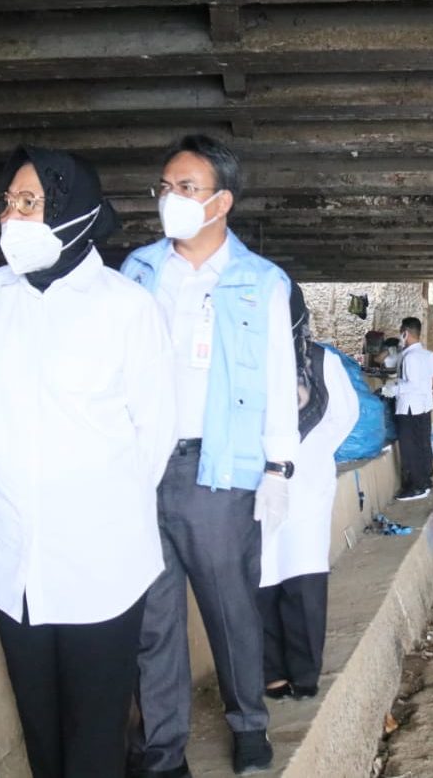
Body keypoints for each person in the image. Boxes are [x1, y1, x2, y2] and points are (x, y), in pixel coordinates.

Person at [0, 147, 176, 778]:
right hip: (10, 557)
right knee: (39, 729)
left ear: (75, 212)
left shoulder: (127, 308)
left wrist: (87, 501)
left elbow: (153, 435)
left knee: (95, 733)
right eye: (7, 203)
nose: (12, 218)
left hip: (98, 560)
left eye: (30, 202)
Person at [121, 135, 298, 777]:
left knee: (230, 610)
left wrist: (278, 468)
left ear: (222, 201)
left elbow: (280, 379)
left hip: (218, 471)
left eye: (186, 188)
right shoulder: (137, 273)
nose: (171, 198)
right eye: (165, 187)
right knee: (153, 619)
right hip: (143, 466)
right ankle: (163, 752)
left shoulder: (260, 282)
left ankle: (248, 725)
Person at [258, 286, 360, 701]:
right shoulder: (253, 357)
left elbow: (345, 416)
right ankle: (284, 675)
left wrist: (312, 451)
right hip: (265, 484)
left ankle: (292, 676)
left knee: (293, 579)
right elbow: (344, 418)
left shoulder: (322, 360)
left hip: (301, 487)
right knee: (266, 580)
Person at [393, 317, 433, 501]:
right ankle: (425, 481)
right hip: (424, 407)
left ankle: (417, 487)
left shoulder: (409, 357)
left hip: (409, 407)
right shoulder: (430, 355)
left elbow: (412, 385)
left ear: (405, 333)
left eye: (401, 332)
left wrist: (393, 389)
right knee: (423, 444)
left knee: (409, 448)